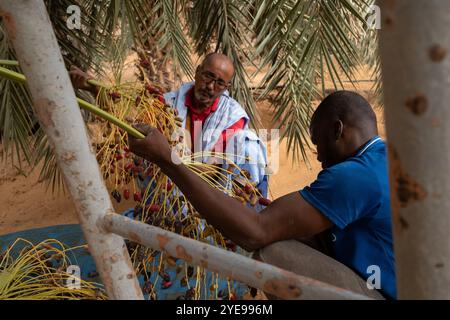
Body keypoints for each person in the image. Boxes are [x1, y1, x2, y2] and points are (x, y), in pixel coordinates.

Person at [127, 90, 397, 300]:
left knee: (273, 254)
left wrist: (167, 160)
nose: (318, 156)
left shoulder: (355, 176)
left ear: (337, 130)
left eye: (318, 143)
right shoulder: (385, 159)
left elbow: (255, 232)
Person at [69, 53, 268, 197]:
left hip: (210, 196)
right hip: (169, 192)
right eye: (208, 76)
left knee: (249, 145)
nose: (210, 86)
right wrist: (93, 89)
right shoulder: (166, 103)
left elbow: (213, 171)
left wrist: (169, 159)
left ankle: (241, 216)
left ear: (226, 88)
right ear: (197, 71)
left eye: (219, 83)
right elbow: (126, 126)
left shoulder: (232, 116)